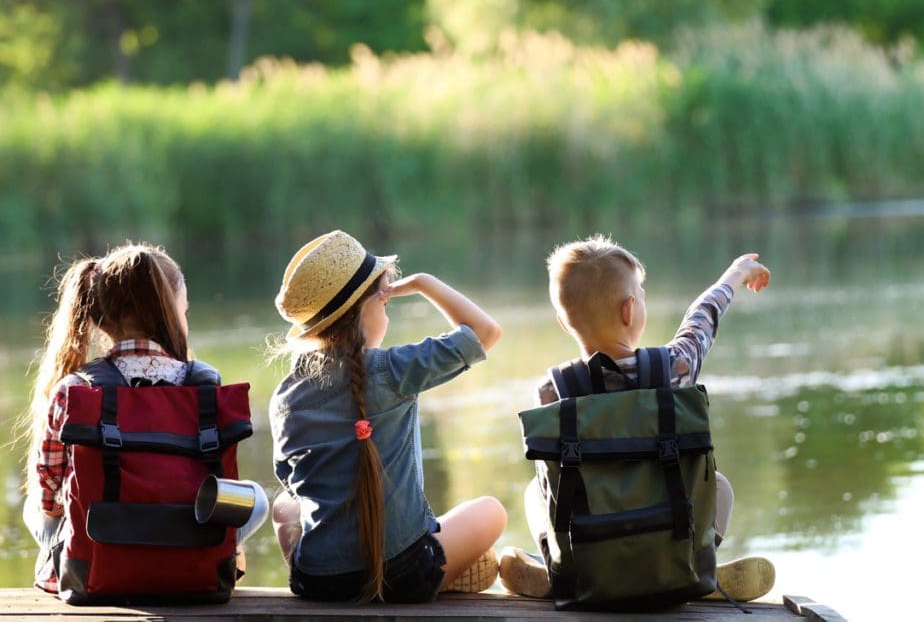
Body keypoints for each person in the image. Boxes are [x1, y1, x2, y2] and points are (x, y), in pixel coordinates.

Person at [498, 234, 776, 603]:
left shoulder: (552, 390)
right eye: (642, 296)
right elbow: (701, 321)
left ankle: (560, 571)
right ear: (630, 310)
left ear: (565, 324)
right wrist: (735, 274)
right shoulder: (673, 369)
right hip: (668, 536)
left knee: (536, 492)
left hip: (590, 553)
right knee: (718, 485)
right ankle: (692, 564)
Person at [269, 230, 508, 603]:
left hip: (318, 581)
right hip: (404, 574)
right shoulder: (392, 370)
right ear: (365, 310)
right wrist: (424, 284)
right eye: (384, 304)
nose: (387, 312)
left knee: (284, 507)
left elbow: (290, 482)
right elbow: (485, 332)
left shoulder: (286, 396)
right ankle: (441, 575)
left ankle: (361, 579)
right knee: (492, 511)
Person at [21, 242, 268, 595]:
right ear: (169, 313)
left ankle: (61, 569)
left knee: (34, 507)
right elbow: (220, 480)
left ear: (102, 320)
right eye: (184, 310)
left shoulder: (75, 390)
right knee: (256, 498)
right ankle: (218, 559)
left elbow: (49, 495)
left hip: (100, 558)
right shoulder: (205, 387)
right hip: (192, 545)